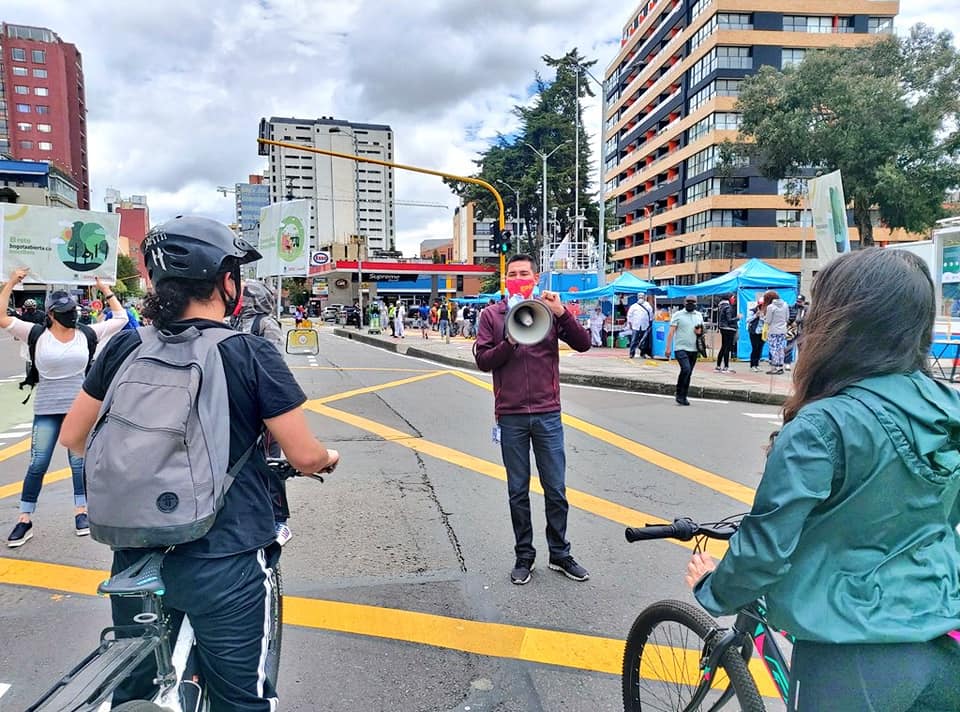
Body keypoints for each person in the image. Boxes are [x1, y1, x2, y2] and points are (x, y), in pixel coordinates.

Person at [59, 215, 339, 710]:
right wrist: (327, 459)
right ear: (226, 282)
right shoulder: (248, 352)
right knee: (242, 700)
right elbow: (303, 454)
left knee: (136, 686)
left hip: (135, 554)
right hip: (225, 556)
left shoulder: (124, 344)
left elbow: (74, 436)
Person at [685, 248, 960, 712]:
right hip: (943, 638)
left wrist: (714, 586)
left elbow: (765, 550)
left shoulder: (823, 424)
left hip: (851, 655)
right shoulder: (947, 408)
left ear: (837, 321)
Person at [474, 254, 592, 585]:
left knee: (556, 488)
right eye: (512, 274)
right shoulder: (491, 315)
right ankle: (524, 555)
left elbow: (583, 344)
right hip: (510, 415)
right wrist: (509, 341)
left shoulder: (549, 311)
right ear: (505, 278)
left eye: (524, 273)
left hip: (547, 413)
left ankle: (559, 553)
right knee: (517, 490)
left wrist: (562, 314)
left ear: (536, 276)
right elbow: (483, 360)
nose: (518, 277)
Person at [1, 271, 128, 546]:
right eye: (64, 311)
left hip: (79, 408)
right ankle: (25, 518)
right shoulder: (36, 334)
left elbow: (121, 319)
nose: (70, 314)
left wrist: (104, 288)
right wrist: (11, 283)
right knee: (37, 463)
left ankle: (81, 512)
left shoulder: (86, 333)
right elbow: (2, 318)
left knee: (78, 463)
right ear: (51, 314)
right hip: (46, 408)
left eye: (71, 310)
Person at [232, 279, 292, 545]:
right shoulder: (231, 323)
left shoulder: (265, 324)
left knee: (271, 462)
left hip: (263, 406)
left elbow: (275, 366)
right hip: (237, 406)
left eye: (242, 295)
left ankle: (279, 520)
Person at [665, 297, 704, 406]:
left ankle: (684, 396)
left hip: (694, 348)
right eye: (688, 301)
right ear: (684, 302)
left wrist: (699, 332)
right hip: (681, 348)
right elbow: (671, 332)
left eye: (693, 302)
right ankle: (679, 393)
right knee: (685, 369)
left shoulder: (698, 315)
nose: (690, 303)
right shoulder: (678, 315)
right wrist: (668, 348)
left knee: (689, 373)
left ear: (696, 303)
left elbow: (702, 331)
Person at [762, 290, 789, 375]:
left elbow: (768, 320)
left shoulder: (771, 307)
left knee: (774, 349)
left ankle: (775, 367)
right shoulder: (785, 305)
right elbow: (787, 318)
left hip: (773, 330)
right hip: (783, 330)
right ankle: (781, 366)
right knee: (781, 348)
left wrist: (763, 318)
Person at [714, 293, 738, 373]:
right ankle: (726, 366)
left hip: (723, 328)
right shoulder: (728, 307)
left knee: (723, 347)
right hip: (729, 329)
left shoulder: (721, 306)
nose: (734, 299)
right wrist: (738, 318)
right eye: (733, 298)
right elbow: (729, 320)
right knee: (727, 348)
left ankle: (718, 366)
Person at [783, 294, 806, 371]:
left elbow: (806, 319)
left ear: (803, 302)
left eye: (800, 301)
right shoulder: (791, 307)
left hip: (802, 330)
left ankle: (801, 364)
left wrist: (800, 321)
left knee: (802, 348)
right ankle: (787, 363)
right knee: (789, 346)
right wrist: (790, 322)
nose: (798, 303)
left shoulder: (806, 309)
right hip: (792, 330)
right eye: (797, 301)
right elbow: (788, 318)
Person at [747, 300, 765, 372]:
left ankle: (757, 364)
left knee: (760, 348)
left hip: (762, 332)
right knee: (755, 348)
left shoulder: (766, 311)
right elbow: (748, 320)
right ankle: (752, 365)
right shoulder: (753, 311)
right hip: (754, 332)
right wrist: (756, 316)